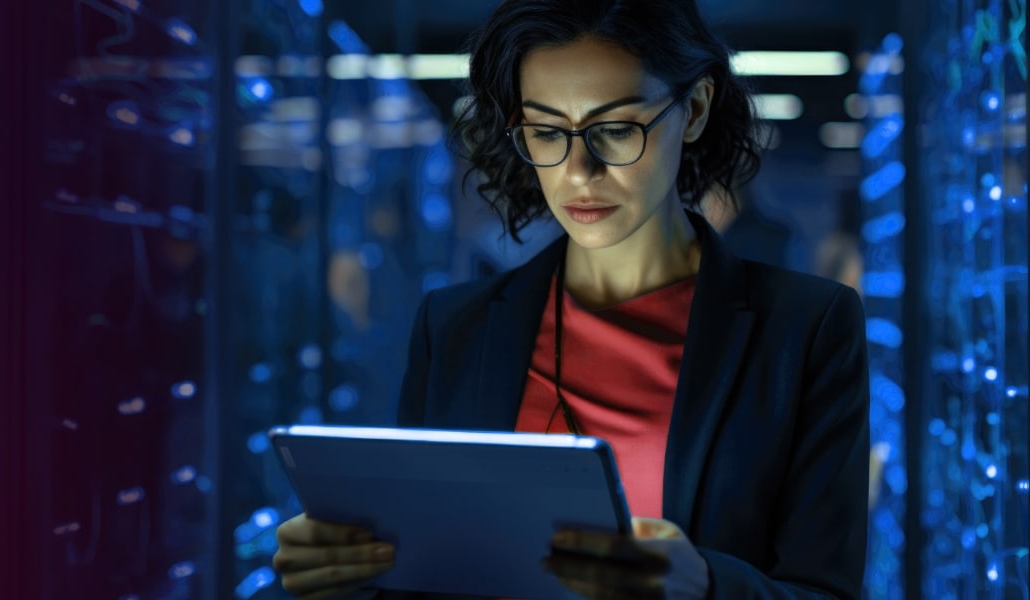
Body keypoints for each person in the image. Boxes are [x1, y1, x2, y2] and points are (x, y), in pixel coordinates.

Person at [271, 0, 869, 598]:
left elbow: (825, 590)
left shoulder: (807, 328)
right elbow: (430, 570)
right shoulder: (455, 327)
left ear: (694, 110)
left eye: (616, 129)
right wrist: (351, 574)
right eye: (547, 131)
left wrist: (706, 585)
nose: (579, 172)